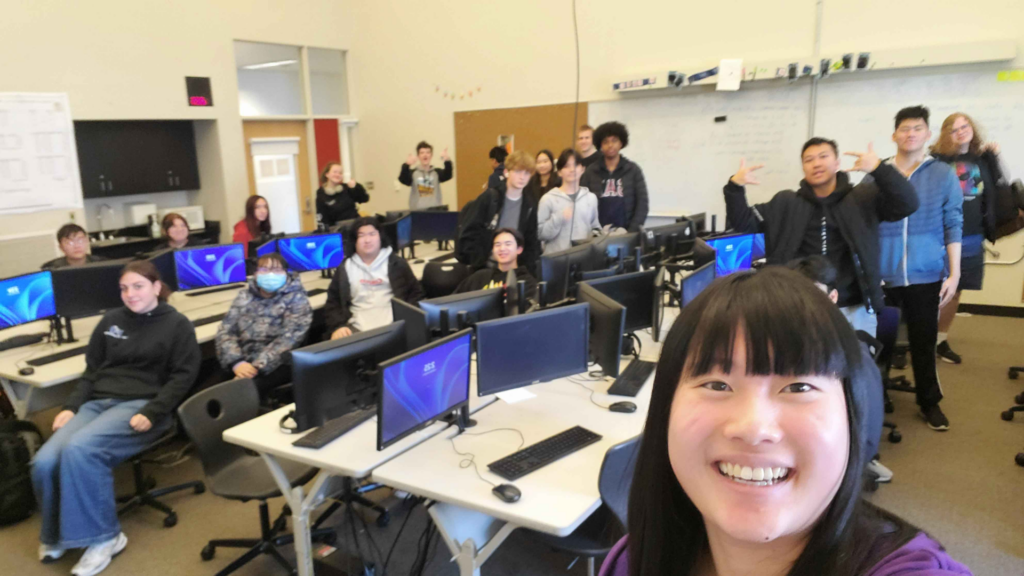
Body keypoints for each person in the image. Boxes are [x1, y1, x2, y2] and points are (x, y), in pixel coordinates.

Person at [599, 267, 971, 576]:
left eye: (798, 386)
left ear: (852, 416)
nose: (753, 427)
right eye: (716, 384)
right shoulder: (633, 561)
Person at [32, 261, 200, 576]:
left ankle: (106, 538)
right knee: (44, 461)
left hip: (143, 407)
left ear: (155, 286)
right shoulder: (111, 321)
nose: (130, 294)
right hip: (98, 403)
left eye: (138, 286)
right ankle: (57, 534)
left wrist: (152, 411)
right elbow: (92, 372)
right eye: (124, 288)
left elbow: (183, 377)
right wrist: (70, 406)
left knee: (81, 449)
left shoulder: (177, 324)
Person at [724, 137, 919, 336]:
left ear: (837, 163)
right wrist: (734, 188)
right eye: (809, 160)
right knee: (798, 366)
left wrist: (879, 169)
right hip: (795, 307)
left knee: (855, 364)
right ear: (803, 167)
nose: (816, 163)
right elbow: (743, 222)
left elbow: (908, 203)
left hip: (853, 307)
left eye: (823, 156)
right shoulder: (785, 202)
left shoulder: (863, 198)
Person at [878, 106, 962, 431]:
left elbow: (953, 222)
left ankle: (929, 402)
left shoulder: (942, 174)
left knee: (923, 342)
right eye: (904, 128)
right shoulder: (879, 174)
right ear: (894, 135)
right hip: (883, 273)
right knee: (880, 340)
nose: (910, 133)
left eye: (917, 128)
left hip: (926, 273)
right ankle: (878, 395)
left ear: (927, 134)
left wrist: (953, 274)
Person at [788, 255, 893, 484]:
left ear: (832, 297)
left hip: (841, 464)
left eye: (813, 295)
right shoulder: (816, 340)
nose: (803, 306)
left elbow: (865, 438)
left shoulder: (838, 354)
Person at [930, 112, 1009, 364]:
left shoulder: (982, 159)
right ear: (946, 134)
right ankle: (913, 340)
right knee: (926, 291)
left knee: (955, 291)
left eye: (965, 126)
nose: (961, 131)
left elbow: (998, 187)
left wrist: (994, 158)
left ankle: (940, 341)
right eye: (954, 129)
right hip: (938, 237)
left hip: (972, 236)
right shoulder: (936, 161)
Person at [214, 252, 312, 400]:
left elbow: (288, 340)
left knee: (232, 398)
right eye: (264, 269)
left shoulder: (297, 299)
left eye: (277, 270)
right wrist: (236, 363)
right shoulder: (244, 296)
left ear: (286, 273)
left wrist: (254, 368)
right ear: (255, 273)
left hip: (274, 365)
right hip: (240, 362)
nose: (270, 274)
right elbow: (226, 331)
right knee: (210, 395)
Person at [324, 217, 425, 339]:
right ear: (354, 240)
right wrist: (338, 327)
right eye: (361, 235)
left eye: (372, 234)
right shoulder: (345, 268)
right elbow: (333, 302)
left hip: (394, 327)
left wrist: (407, 320)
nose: (367, 240)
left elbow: (416, 293)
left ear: (380, 237)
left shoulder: (396, 264)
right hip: (356, 329)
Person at [457, 150, 541, 271]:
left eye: (527, 173)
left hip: (515, 268)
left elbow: (531, 241)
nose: (522, 177)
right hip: (486, 267)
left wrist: (528, 271)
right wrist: (479, 262)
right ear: (506, 172)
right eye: (517, 172)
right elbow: (469, 233)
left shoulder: (530, 204)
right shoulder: (490, 197)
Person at [579, 121, 649, 233]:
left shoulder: (633, 170)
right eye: (605, 142)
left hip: (627, 234)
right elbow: (581, 204)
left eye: (614, 141)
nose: (610, 145)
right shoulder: (591, 172)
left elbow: (642, 205)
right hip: (598, 236)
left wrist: (631, 232)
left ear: (621, 143)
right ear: (600, 145)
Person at [537, 149, 602, 254]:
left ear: (583, 169)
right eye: (566, 166)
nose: (572, 170)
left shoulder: (591, 198)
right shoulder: (547, 199)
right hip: (556, 260)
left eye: (576, 165)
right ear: (559, 172)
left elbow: (595, 226)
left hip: (583, 258)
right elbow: (540, 234)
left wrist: (596, 235)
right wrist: (559, 217)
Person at [456, 228, 538, 301]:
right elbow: (453, 301)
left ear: (519, 249)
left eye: (508, 244)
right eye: (497, 245)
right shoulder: (479, 277)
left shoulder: (527, 283)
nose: (502, 249)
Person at [398, 141, 452, 210]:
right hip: (417, 212)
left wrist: (447, 161)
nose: (425, 155)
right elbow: (402, 179)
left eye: (428, 152)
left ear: (431, 155)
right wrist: (406, 165)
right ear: (418, 156)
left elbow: (448, 175)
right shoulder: (413, 173)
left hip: (435, 212)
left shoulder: (436, 173)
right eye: (422, 153)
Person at [316, 162, 369, 229]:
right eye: (335, 172)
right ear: (327, 174)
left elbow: (364, 199)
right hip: (335, 228)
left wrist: (355, 187)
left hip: (354, 225)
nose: (338, 175)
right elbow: (321, 216)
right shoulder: (321, 193)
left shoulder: (347, 188)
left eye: (340, 173)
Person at [41, 223, 106, 269]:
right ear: (61, 247)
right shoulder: (51, 268)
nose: (77, 246)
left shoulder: (103, 263)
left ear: (87, 242)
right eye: (70, 242)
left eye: (80, 240)